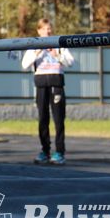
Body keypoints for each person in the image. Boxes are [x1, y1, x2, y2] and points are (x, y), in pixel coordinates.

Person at [21, 18, 75, 165]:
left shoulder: (59, 44)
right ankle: (45, 150)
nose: (47, 31)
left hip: (56, 84)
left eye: (49, 28)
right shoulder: (33, 46)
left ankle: (59, 152)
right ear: (39, 31)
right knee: (43, 119)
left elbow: (71, 62)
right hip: (41, 85)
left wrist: (57, 55)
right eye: (44, 29)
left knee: (58, 119)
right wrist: (37, 51)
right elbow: (24, 64)